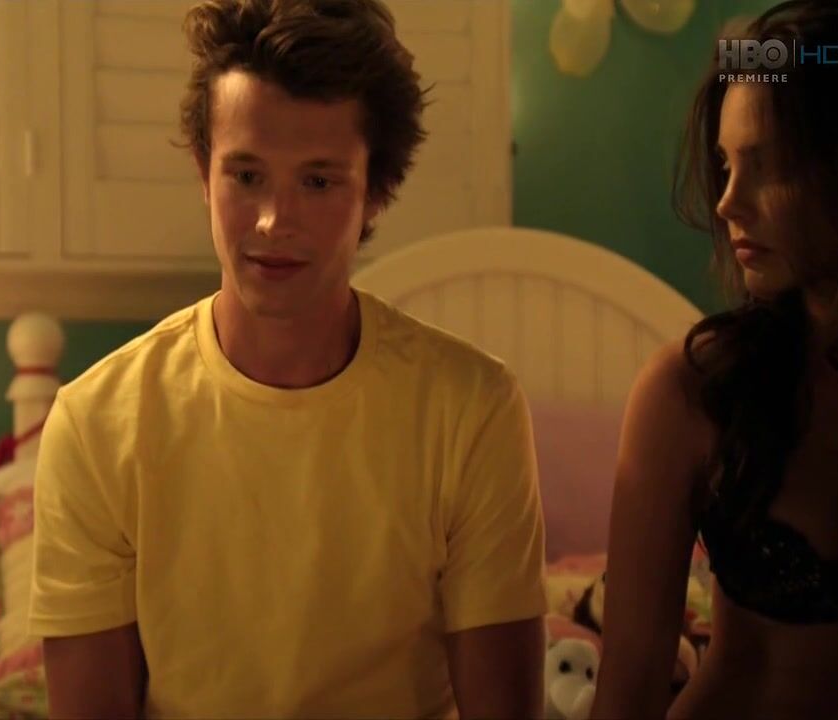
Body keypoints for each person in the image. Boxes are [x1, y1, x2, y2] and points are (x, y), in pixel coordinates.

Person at [27, 1, 547, 718]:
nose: (274, 220)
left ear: (377, 190)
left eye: (318, 181)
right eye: (247, 176)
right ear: (204, 173)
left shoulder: (470, 409)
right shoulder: (97, 425)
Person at [591, 1, 838, 718]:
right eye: (724, 165)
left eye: (769, 167)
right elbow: (626, 695)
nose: (726, 203)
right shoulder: (693, 393)